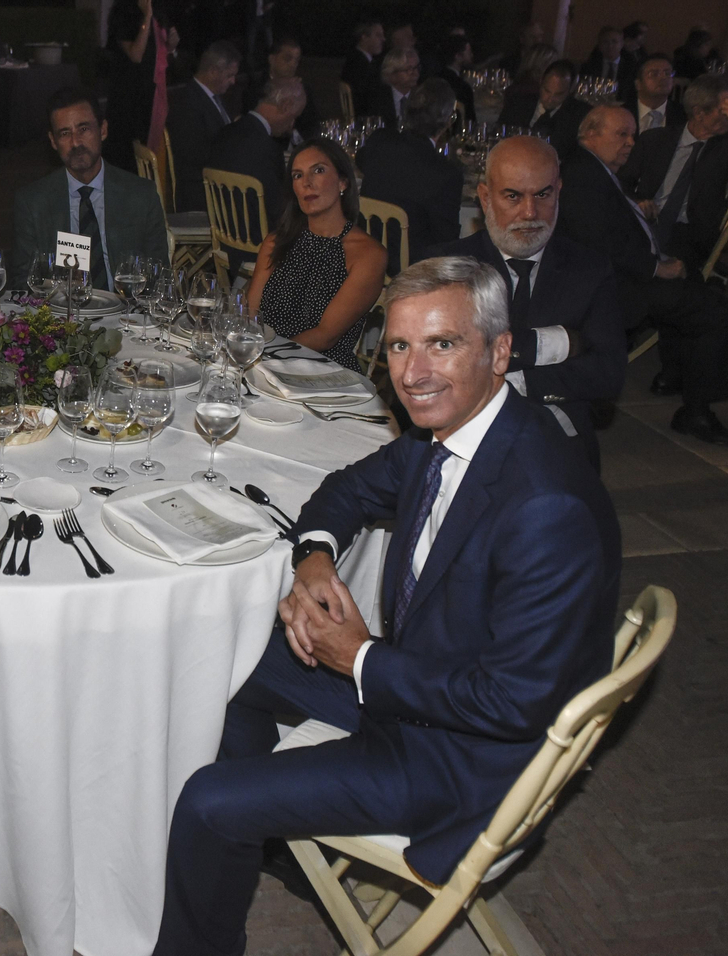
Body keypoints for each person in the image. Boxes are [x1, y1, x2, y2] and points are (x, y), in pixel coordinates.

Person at [153, 255, 620, 956]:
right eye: (400, 345)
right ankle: (261, 820)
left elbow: (511, 702)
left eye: (443, 344)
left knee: (204, 803)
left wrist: (361, 658)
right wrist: (313, 555)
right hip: (422, 687)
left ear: (499, 351)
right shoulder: (455, 436)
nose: (412, 373)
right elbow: (346, 490)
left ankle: (226, 844)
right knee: (232, 659)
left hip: (460, 760)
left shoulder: (545, 504)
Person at [428, 136, 624, 470]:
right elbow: (433, 369)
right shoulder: (447, 267)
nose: (530, 212)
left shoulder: (589, 269)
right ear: (486, 197)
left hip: (558, 441)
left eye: (543, 195)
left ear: (558, 191)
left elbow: (607, 374)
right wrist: (555, 343)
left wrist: (508, 379)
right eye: (513, 196)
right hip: (462, 438)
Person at [560, 106, 728, 446]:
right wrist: (657, 267)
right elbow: (600, 243)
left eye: (632, 134)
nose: (631, 142)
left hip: (622, 275)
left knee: (695, 295)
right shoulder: (582, 175)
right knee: (716, 312)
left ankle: (675, 376)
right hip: (613, 288)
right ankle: (697, 411)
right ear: (590, 135)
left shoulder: (593, 168)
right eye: (621, 134)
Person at [246, 137, 385, 369]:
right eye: (297, 175)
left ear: (343, 182)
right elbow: (249, 314)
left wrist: (266, 359)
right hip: (262, 362)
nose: (306, 183)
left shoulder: (367, 254)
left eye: (318, 171)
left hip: (322, 372)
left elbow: (325, 335)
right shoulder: (276, 242)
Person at [9, 87, 168, 290]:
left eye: (83, 129)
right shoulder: (33, 202)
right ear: (53, 141)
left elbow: (159, 274)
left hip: (126, 313)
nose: (75, 143)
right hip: (63, 313)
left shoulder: (140, 195)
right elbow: (23, 281)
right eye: (65, 133)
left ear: (103, 130)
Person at [619, 73, 728, 274]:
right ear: (699, 113)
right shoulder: (655, 140)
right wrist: (638, 201)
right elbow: (622, 181)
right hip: (646, 220)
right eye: (725, 111)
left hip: (689, 232)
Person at [357, 79, 463, 259]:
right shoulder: (446, 173)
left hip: (367, 259)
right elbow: (447, 241)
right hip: (413, 274)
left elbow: (361, 161)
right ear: (448, 121)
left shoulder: (379, 142)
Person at [204, 77, 306, 242]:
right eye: (295, 116)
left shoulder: (224, 133)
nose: (291, 125)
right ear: (286, 105)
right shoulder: (267, 148)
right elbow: (277, 210)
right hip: (260, 245)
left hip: (225, 239)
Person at [165, 40, 239, 214]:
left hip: (215, 180)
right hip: (201, 191)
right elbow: (194, 155)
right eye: (229, 75)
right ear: (213, 72)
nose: (233, 81)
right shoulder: (188, 104)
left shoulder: (213, 98)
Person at [103, 0, 179, 170]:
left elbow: (160, 57)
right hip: (128, 93)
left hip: (150, 91)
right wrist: (147, 17)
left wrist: (171, 46)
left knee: (147, 145)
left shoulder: (159, 11)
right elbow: (136, 55)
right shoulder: (123, 13)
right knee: (126, 150)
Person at [498, 59, 589, 158]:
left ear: (571, 90)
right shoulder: (518, 103)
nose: (550, 99)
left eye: (558, 94)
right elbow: (498, 134)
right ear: (541, 81)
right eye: (546, 91)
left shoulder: (579, 115)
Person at [245, 34, 319, 135]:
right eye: (287, 59)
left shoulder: (303, 89)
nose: (293, 65)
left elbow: (312, 125)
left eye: (296, 60)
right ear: (272, 59)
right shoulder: (256, 86)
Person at [623, 53, 685, 132]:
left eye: (667, 73)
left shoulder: (683, 115)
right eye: (654, 74)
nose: (663, 78)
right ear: (638, 84)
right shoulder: (623, 113)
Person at [340, 18, 384, 120]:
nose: (383, 39)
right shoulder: (357, 65)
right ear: (364, 37)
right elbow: (368, 100)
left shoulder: (362, 61)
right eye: (378, 35)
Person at [366, 47, 419, 129]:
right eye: (409, 69)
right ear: (392, 73)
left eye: (416, 68)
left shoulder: (422, 97)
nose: (415, 73)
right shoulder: (378, 99)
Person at [434, 32, 476, 122]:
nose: (471, 55)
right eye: (468, 52)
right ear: (458, 56)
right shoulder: (463, 88)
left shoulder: (434, 79)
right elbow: (470, 122)